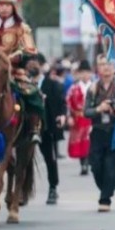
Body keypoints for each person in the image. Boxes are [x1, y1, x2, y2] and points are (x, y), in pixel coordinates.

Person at [0, 0, 43, 144]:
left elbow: (30, 51)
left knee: (34, 94)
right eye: (0, 4)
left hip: (14, 71)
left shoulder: (21, 28)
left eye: (7, 5)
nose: (3, 8)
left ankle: (34, 129)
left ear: (13, 7)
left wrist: (13, 57)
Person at [84, 57, 115, 212]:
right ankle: (107, 188)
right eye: (102, 64)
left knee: (110, 165)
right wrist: (98, 109)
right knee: (96, 166)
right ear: (98, 68)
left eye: (109, 64)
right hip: (98, 130)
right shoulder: (93, 88)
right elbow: (85, 112)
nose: (106, 68)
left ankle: (105, 199)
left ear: (114, 68)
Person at [40, 62, 67, 205]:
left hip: (47, 127)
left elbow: (62, 102)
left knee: (50, 158)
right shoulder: (18, 83)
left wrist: (62, 115)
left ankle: (53, 187)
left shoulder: (51, 84)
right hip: (25, 127)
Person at [66, 60, 94, 176]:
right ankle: (83, 163)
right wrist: (69, 117)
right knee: (80, 143)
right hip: (78, 118)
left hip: (91, 118)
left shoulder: (94, 86)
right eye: (82, 72)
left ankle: (88, 162)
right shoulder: (73, 88)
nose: (85, 75)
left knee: (90, 142)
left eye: (87, 72)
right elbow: (68, 103)